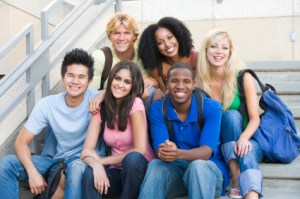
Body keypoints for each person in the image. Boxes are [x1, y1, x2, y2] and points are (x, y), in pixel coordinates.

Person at [0, 48, 103, 198]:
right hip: (56, 161)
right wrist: (32, 172)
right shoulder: (47, 104)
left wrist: (103, 94)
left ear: (89, 81)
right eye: (70, 76)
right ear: (63, 77)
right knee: (6, 165)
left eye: (81, 77)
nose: (75, 81)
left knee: (74, 170)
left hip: (84, 163)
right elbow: (21, 142)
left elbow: (121, 91)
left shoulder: (95, 99)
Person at [139, 63, 229, 199]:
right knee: (156, 165)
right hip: (178, 173)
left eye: (186, 81)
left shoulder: (211, 108)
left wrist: (177, 153)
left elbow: (205, 152)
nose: (180, 86)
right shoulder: (158, 109)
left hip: (208, 174)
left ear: (194, 84)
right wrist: (166, 151)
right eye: (174, 81)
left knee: (198, 166)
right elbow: (160, 151)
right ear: (166, 83)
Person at [197, 29, 263, 199]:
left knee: (233, 118)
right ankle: (236, 176)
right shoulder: (199, 82)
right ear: (205, 50)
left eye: (224, 48)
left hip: (245, 138)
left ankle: (239, 181)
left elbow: (255, 119)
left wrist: (243, 138)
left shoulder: (243, 76)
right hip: (215, 143)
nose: (219, 52)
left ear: (230, 52)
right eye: (213, 47)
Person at [81, 60, 155, 199]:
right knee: (89, 175)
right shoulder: (102, 107)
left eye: (127, 82)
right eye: (118, 78)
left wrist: (103, 161)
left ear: (133, 86)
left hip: (140, 171)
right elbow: (87, 150)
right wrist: (96, 165)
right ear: (111, 79)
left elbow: (140, 150)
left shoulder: (135, 104)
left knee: (132, 158)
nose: (120, 84)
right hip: (117, 172)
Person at [89, 12, 157, 101]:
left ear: (134, 36)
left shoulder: (143, 54)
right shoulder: (100, 56)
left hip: (136, 105)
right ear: (110, 36)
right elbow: (90, 94)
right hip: (107, 105)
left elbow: (158, 81)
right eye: (116, 33)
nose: (121, 38)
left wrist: (154, 81)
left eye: (126, 33)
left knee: (150, 90)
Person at [138, 16, 197, 95]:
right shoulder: (157, 68)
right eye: (160, 42)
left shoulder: (195, 58)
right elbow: (164, 94)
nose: (167, 44)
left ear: (178, 36)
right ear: (155, 47)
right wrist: (155, 83)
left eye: (170, 37)